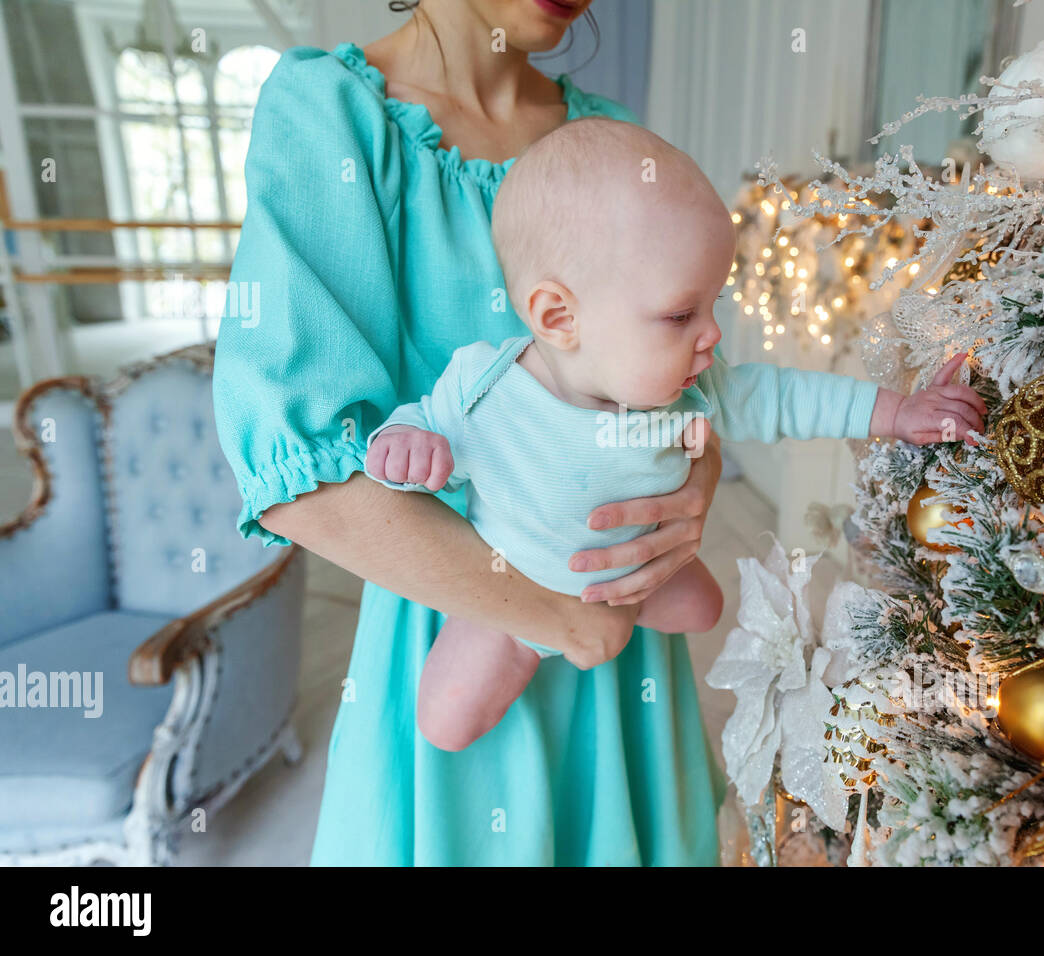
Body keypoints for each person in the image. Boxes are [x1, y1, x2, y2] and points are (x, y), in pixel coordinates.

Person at [213, 0, 729, 865]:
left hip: (621, 607)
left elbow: (699, 385)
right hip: (462, 622)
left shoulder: (608, 135)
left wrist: (694, 487)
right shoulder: (334, 113)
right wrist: (553, 618)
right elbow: (294, 470)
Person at [363, 117, 987, 752]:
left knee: (704, 608)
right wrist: (407, 442)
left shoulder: (695, 388)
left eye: (711, 306)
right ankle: (538, 646)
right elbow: (418, 424)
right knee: (445, 722)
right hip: (512, 598)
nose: (711, 334)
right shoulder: (485, 387)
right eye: (681, 314)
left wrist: (896, 411)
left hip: (638, 575)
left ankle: (625, 607)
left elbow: (786, 396)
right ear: (559, 317)